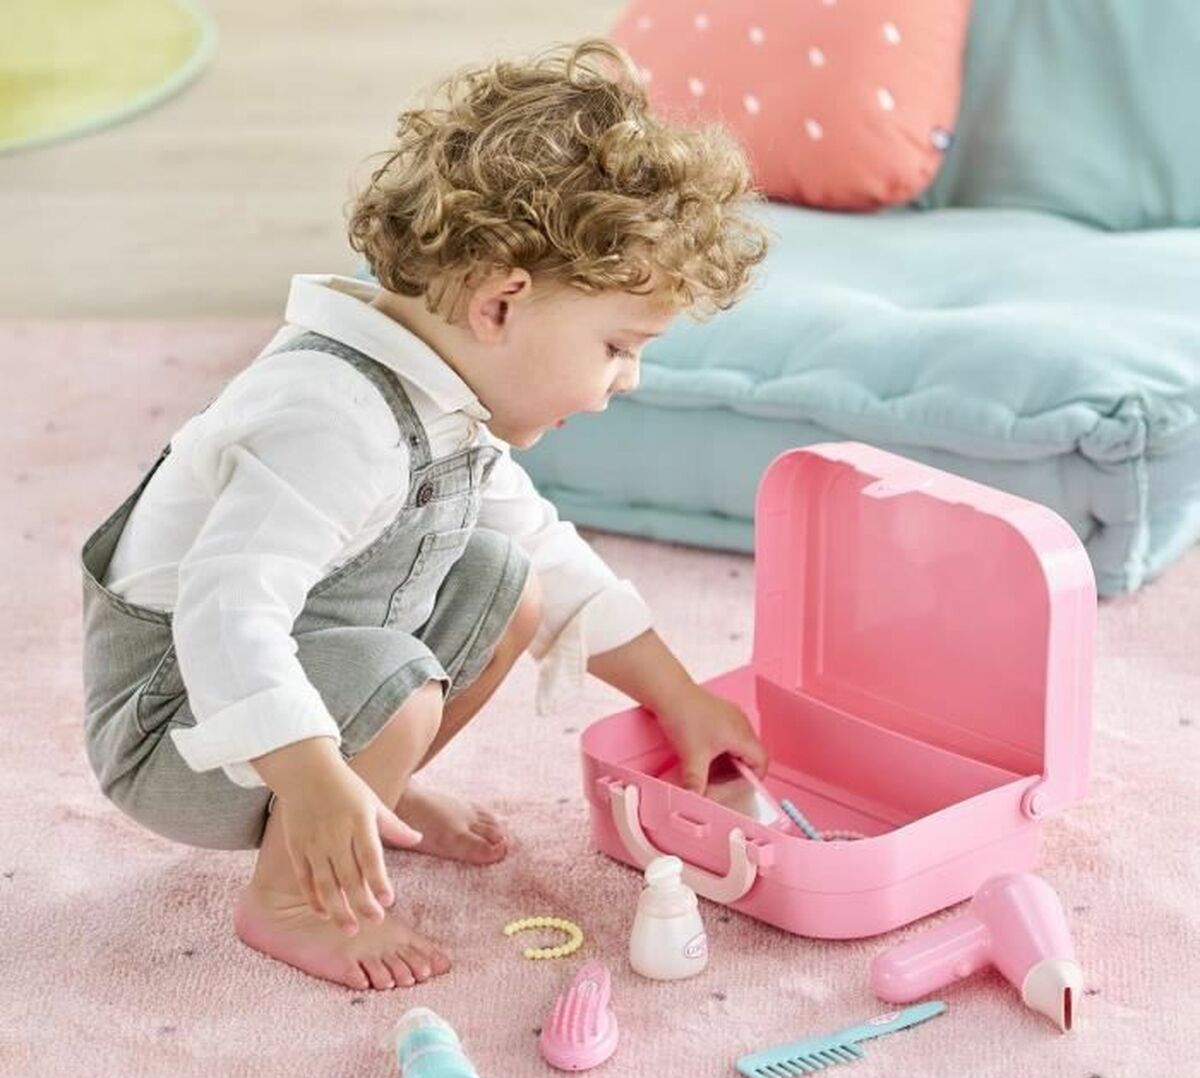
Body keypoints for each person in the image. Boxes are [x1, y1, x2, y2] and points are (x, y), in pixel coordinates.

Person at [79, 35, 773, 993]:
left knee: (504, 576)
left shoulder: (439, 395)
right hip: (176, 729)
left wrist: (676, 693)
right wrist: (312, 780)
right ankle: (293, 896)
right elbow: (225, 615)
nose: (629, 381)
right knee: (396, 678)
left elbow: (545, 551)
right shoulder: (330, 416)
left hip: (285, 685)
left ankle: (376, 794)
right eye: (618, 347)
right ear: (501, 304)